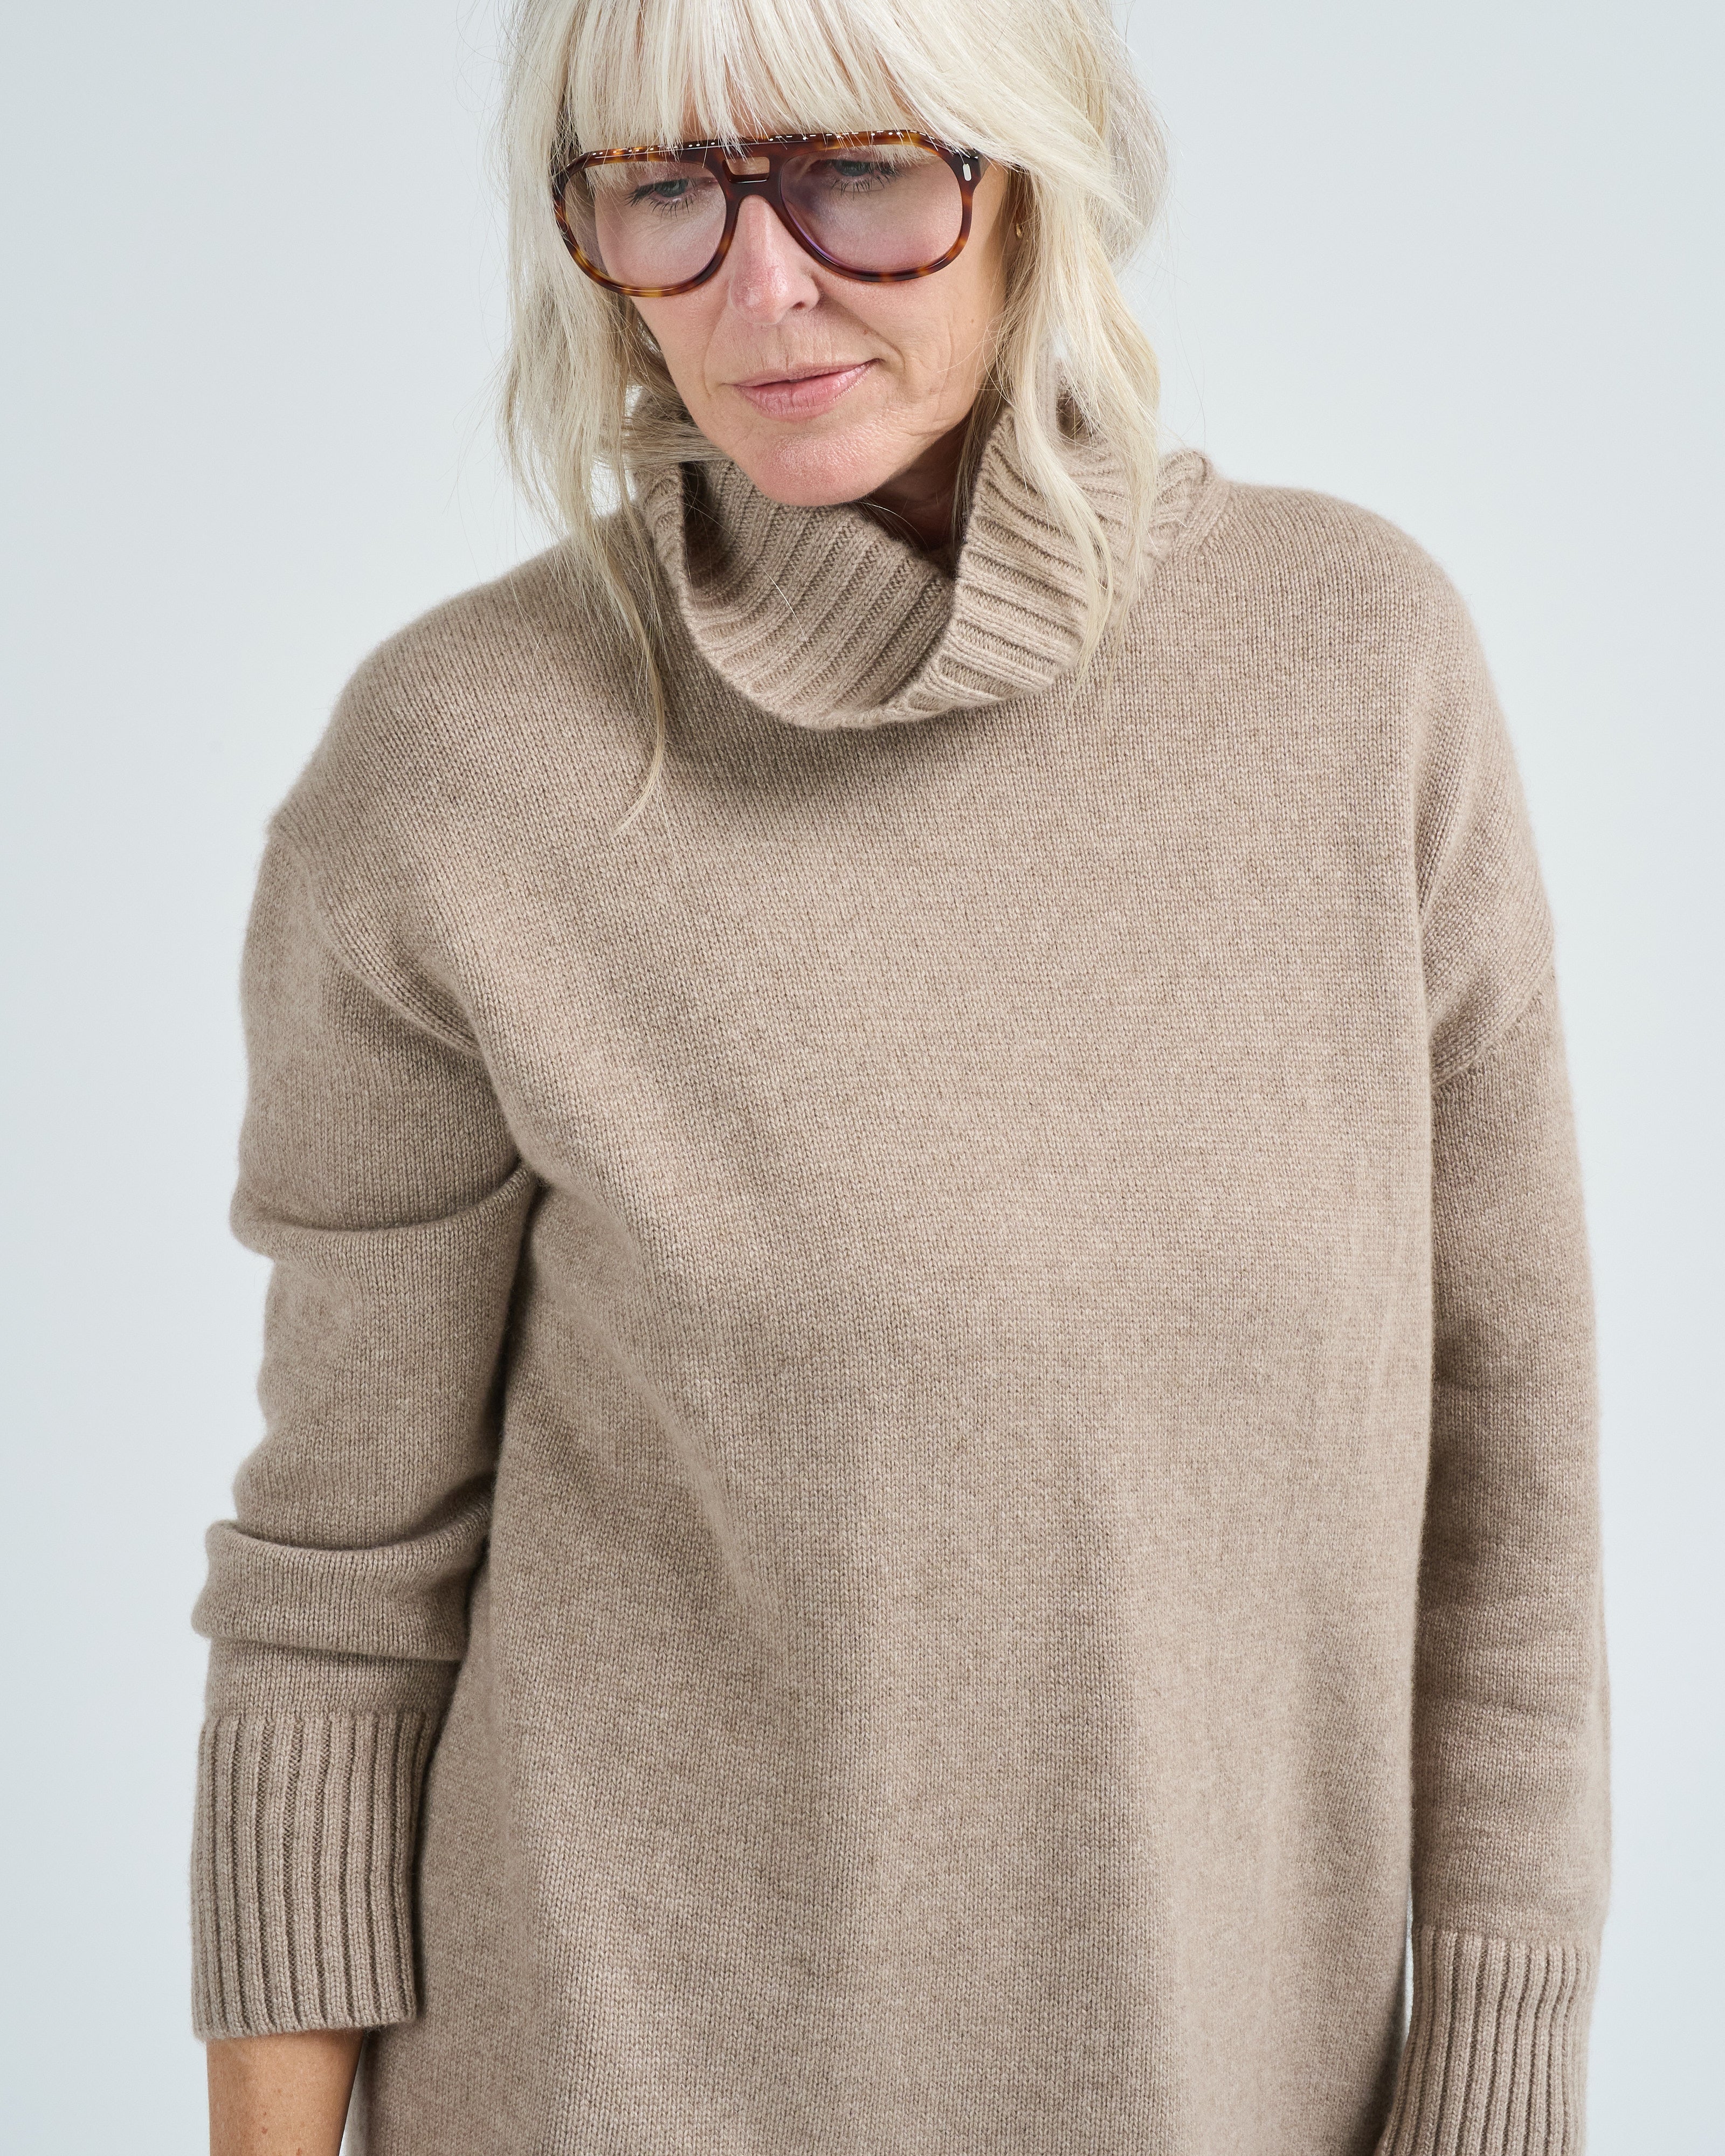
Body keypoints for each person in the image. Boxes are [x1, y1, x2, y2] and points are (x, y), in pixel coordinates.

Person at [191, 0, 1610, 2150]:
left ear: (1025, 178)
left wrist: (1492, 2090)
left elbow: (1510, 1498)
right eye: (664, 193)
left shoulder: (1356, 675)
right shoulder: (462, 769)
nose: (759, 288)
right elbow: (336, 1591)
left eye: (854, 171)